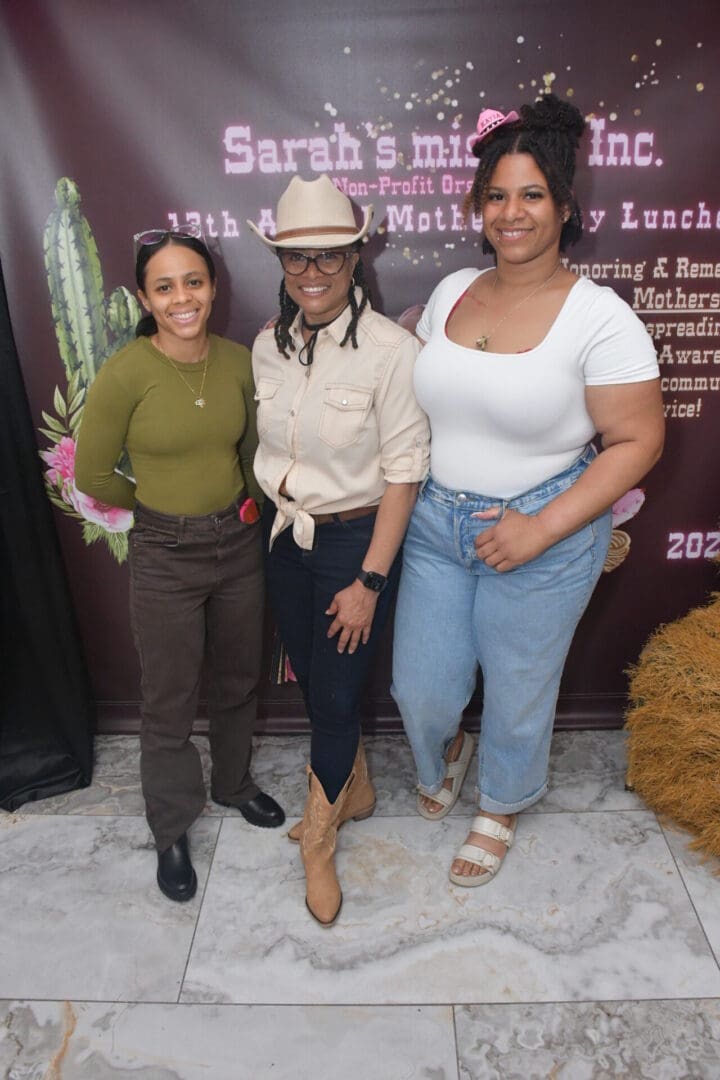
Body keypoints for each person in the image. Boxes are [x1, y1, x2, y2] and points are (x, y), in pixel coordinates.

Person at [391, 95, 664, 887]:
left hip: (541, 529)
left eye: (533, 194)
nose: (512, 213)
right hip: (437, 525)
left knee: (518, 687)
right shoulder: (450, 292)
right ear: (478, 206)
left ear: (566, 206)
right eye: (498, 195)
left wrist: (541, 526)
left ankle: (502, 803)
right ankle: (450, 747)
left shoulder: (600, 319)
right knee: (422, 689)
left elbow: (640, 439)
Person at [75, 225, 285, 903]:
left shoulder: (235, 361)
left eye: (193, 281)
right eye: (163, 286)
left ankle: (233, 784)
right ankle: (171, 827)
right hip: (164, 553)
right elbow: (92, 473)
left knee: (236, 680)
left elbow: (253, 456)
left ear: (213, 286)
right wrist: (159, 510)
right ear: (144, 296)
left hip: (237, 546)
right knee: (168, 699)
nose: (181, 297)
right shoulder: (126, 372)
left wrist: (241, 512)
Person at [247, 176, 430, 925]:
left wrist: (369, 581)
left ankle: (318, 839)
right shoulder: (267, 344)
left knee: (331, 697)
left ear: (356, 258)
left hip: (355, 542)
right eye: (297, 260)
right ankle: (354, 790)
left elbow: (404, 476)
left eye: (329, 257)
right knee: (317, 679)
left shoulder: (392, 352)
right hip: (285, 540)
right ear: (282, 266)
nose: (312, 274)